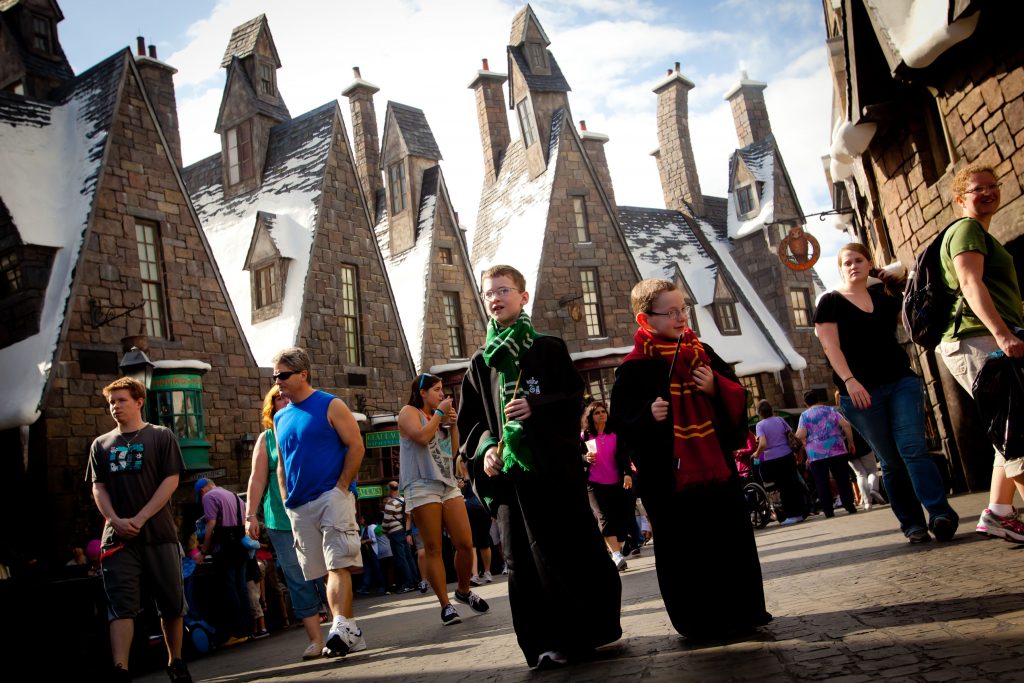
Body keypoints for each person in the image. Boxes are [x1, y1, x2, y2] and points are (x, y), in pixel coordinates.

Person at [458, 264, 621, 669]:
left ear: (523, 296)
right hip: (511, 480)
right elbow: (472, 421)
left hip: (551, 473)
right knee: (521, 560)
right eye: (489, 293)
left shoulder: (547, 347)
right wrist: (487, 448)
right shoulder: (481, 362)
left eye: (503, 290)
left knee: (566, 551)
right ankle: (543, 642)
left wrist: (537, 406)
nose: (495, 298)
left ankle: (583, 634)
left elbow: (571, 398)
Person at [611, 278, 771, 642]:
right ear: (644, 318)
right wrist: (647, 415)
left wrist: (716, 388)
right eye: (671, 312)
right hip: (668, 477)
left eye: (683, 309)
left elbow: (735, 396)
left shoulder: (704, 352)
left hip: (715, 468)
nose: (682, 317)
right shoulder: (634, 368)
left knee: (729, 540)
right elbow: (619, 423)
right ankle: (699, 621)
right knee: (685, 549)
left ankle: (743, 612)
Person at [815, 242, 959, 543]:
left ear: (869, 264)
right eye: (846, 262)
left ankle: (940, 514)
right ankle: (912, 524)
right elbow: (830, 346)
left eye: (858, 260)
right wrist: (850, 380)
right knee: (891, 461)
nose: (853, 266)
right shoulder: (830, 301)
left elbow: (918, 305)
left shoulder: (885, 297)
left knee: (913, 449)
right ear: (840, 269)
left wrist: (897, 281)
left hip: (900, 382)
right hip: (859, 392)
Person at [935, 163, 1024, 542]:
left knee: (1009, 429)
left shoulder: (982, 234)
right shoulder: (966, 229)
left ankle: (1000, 512)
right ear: (959, 199)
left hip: (984, 337)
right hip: (976, 339)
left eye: (992, 186)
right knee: (1017, 429)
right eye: (977, 189)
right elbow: (970, 284)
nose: (988, 192)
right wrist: (1002, 335)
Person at [86, 377, 192, 682]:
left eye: (121, 400)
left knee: (171, 603)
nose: (115, 407)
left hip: (158, 534)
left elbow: (170, 481)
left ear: (138, 402)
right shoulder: (101, 445)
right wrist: (116, 520)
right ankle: (121, 669)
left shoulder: (160, 436)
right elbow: (98, 488)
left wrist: (142, 518)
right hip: (118, 540)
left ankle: (176, 662)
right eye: (111, 402)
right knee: (121, 606)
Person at [272, 347, 367, 658]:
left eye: (283, 375)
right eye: (274, 376)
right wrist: (286, 498)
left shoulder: (331, 404)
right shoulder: (280, 416)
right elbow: (282, 464)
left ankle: (339, 626)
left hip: (331, 495)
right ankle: (351, 632)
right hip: (299, 505)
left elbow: (356, 445)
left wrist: (341, 487)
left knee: (338, 562)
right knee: (325, 570)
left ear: (303, 374)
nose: (277, 381)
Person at [399, 374, 490, 624]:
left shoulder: (439, 417)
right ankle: (445, 604)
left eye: (442, 390)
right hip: (421, 484)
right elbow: (421, 437)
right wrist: (439, 414)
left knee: (464, 542)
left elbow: (452, 452)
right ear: (422, 392)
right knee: (433, 547)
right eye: (437, 390)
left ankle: (463, 590)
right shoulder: (408, 412)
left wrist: (453, 425)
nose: (442, 395)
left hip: (447, 483)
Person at [244, 386, 328, 659]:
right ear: (271, 406)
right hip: (280, 520)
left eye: (287, 396)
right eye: (278, 397)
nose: (284, 399)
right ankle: (315, 639)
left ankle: (341, 627)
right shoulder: (265, 439)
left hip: (314, 510)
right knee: (296, 576)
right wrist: (250, 515)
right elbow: (257, 479)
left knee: (327, 570)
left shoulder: (308, 428)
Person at [194, 478, 252, 645]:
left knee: (230, 588)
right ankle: (249, 628)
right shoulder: (234, 496)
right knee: (241, 587)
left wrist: (203, 551)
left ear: (203, 490)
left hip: (224, 549)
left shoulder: (209, 497)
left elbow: (211, 524)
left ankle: (238, 631)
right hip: (240, 547)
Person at [580, 401, 633, 571]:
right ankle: (617, 556)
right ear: (591, 416)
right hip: (594, 484)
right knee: (604, 517)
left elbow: (625, 456)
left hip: (616, 482)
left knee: (621, 519)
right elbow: (576, 457)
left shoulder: (615, 435)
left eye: (603, 411)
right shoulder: (584, 437)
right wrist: (584, 458)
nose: (601, 414)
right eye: (597, 412)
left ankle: (616, 550)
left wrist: (627, 474)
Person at [795, 390, 857, 518]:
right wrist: (851, 442)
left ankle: (828, 510)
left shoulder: (805, 416)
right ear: (818, 399)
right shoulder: (831, 410)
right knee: (843, 479)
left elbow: (801, 434)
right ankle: (849, 504)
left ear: (805, 403)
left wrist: (802, 437)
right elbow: (845, 425)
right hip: (837, 449)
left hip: (816, 454)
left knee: (821, 482)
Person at [752, 401, 806, 526]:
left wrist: (757, 453)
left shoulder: (760, 425)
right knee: (792, 484)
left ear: (759, 413)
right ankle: (799, 512)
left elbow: (763, 444)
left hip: (772, 460)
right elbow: (790, 435)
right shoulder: (780, 420)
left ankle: (790, 515)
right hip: (787, 456)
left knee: (781, 487)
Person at [456, 456, 494, 586]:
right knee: (471, 543)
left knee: (484, 542)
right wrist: (459, 488)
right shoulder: (456, 479)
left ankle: (488, 571)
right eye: (460, 461)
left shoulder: (476, 472)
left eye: (464, 461)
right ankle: (475, 574)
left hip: (481, 511)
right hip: (466, 513)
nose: (463, 463)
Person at [381, 482, 417, 593]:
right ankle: (415, 581)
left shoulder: (391, 503)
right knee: (409, 557)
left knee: (401, 559)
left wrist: (384, 531)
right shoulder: (404, 500)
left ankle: (407, 583)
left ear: (389, 489)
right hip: (405, 531)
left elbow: (386, 521)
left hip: (395, 533)